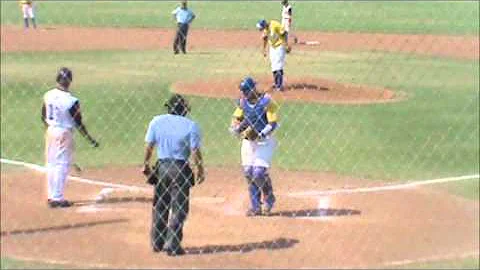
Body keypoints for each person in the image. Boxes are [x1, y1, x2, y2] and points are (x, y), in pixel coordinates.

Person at [142, 94, 205, 256]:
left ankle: (157, 242)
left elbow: (149, 146)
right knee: (179, 208)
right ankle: (173, 244)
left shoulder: (156, 121)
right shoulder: (191, 126)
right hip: (180, 169)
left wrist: (146, 164)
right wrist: (200, 169)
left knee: (161, 205)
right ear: (184, 110)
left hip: (162, 167)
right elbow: (195, 151)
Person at [41, 67, 99, 208]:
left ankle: (51, 195)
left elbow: (43, 115)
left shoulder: (48, 95)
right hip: (64, 133)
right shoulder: (71, 101)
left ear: (57, 79)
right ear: (70, 81)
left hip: (51, 130)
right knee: (62, 164)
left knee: (51, 164)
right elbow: (78, 122)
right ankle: (57, 198)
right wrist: (90, 138)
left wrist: (49, 129)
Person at [229, 77, 279, 216]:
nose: (244, 93)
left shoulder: (266, 101)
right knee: (249, 172)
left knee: (258, 173)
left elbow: (272, 123)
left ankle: (269, 199)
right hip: (248, 142)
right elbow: (237, 119)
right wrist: (235, 128)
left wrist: (262, 133)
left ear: (252, 88)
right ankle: (256, 206)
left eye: (246, 90)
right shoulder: (242, 102)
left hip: (264, 142)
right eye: (242, 90)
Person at [256, 19, 290, 92]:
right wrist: (264, 49)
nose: (261, 30)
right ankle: (276, 83)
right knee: (273, 65)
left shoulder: (274, 24)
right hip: (273, 47)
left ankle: (279, 85)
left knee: (278, 65)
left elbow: (284, 33)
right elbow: (265, 39)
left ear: (264, 25)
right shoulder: (265, 30)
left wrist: (286, 45)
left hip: (280, 46)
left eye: (261, 28)